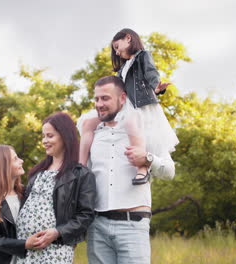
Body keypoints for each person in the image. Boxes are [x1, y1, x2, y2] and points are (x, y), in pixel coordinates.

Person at [84, 76, 176, 264]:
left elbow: (170, 171)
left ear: (123, 98)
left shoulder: (145, 129)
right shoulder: (92, 134)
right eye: (96, 99)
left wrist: (148, 159)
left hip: (132, 226)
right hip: (97, 227)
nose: (99, 104)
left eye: (105, 98)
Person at [78, 28, 178, 185]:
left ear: (128, 38)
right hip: (125, 105)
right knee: (88, 121)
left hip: (141, 105)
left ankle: (142, 170)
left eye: (117, 47)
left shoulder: (143, 56)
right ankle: (81, 166)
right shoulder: (123, 68)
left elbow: (151, 73)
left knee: (145, 137)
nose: (117, 53)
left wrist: (156, 87)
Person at [16, 112, 96, 264]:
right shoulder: (37, 172)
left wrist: (57, 232)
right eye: (43, 136)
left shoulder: (81, 174)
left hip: (55, 251)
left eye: (50, 136)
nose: (45, 141)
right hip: (26, 251)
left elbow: (86, 215)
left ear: (64, 136)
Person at [0, 145, 41, 264]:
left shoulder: (24, 193)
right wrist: (25, 244)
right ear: (3, 167)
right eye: (15, 159)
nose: (22, 160)